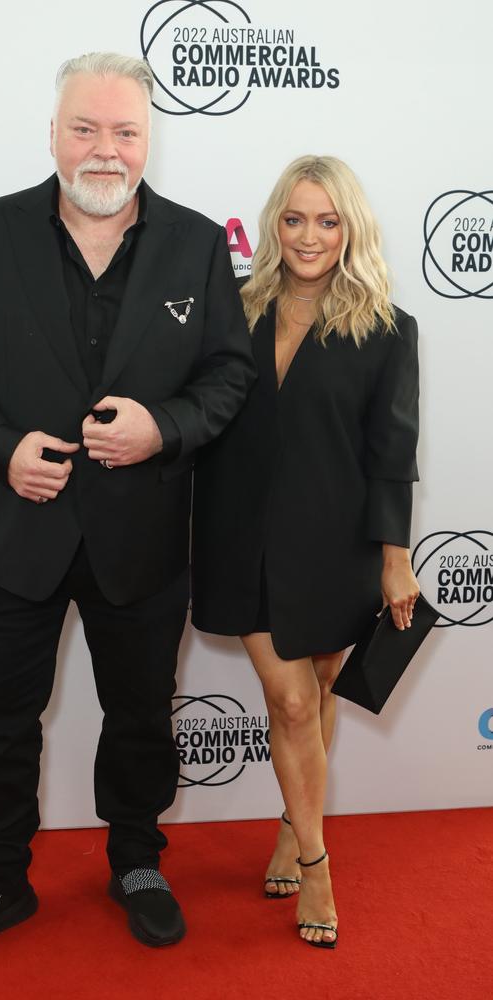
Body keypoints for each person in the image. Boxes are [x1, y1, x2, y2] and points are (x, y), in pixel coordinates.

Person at [0, 51, 254, 962]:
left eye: (125, 132)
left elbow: (229, 374)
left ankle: (137, 859)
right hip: (13, 534)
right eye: (86, 128)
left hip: (142, 539)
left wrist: (164, 426)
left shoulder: (195, 243)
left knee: (141, 713)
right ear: (54, 133)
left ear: (150, 141)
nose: (105, 150)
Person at [191, 155, 420, 949]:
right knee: (290, 700)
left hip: (336, 544)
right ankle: (317, 862)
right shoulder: (235, 309)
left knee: (319, 691)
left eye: (327, 220)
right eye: (294, 219)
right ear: (273, 226)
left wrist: (396, 557)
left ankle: (292, 824)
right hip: (239, 537)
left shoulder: (387, 328)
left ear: (349, 227)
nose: (309, 236)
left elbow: (393, 451)